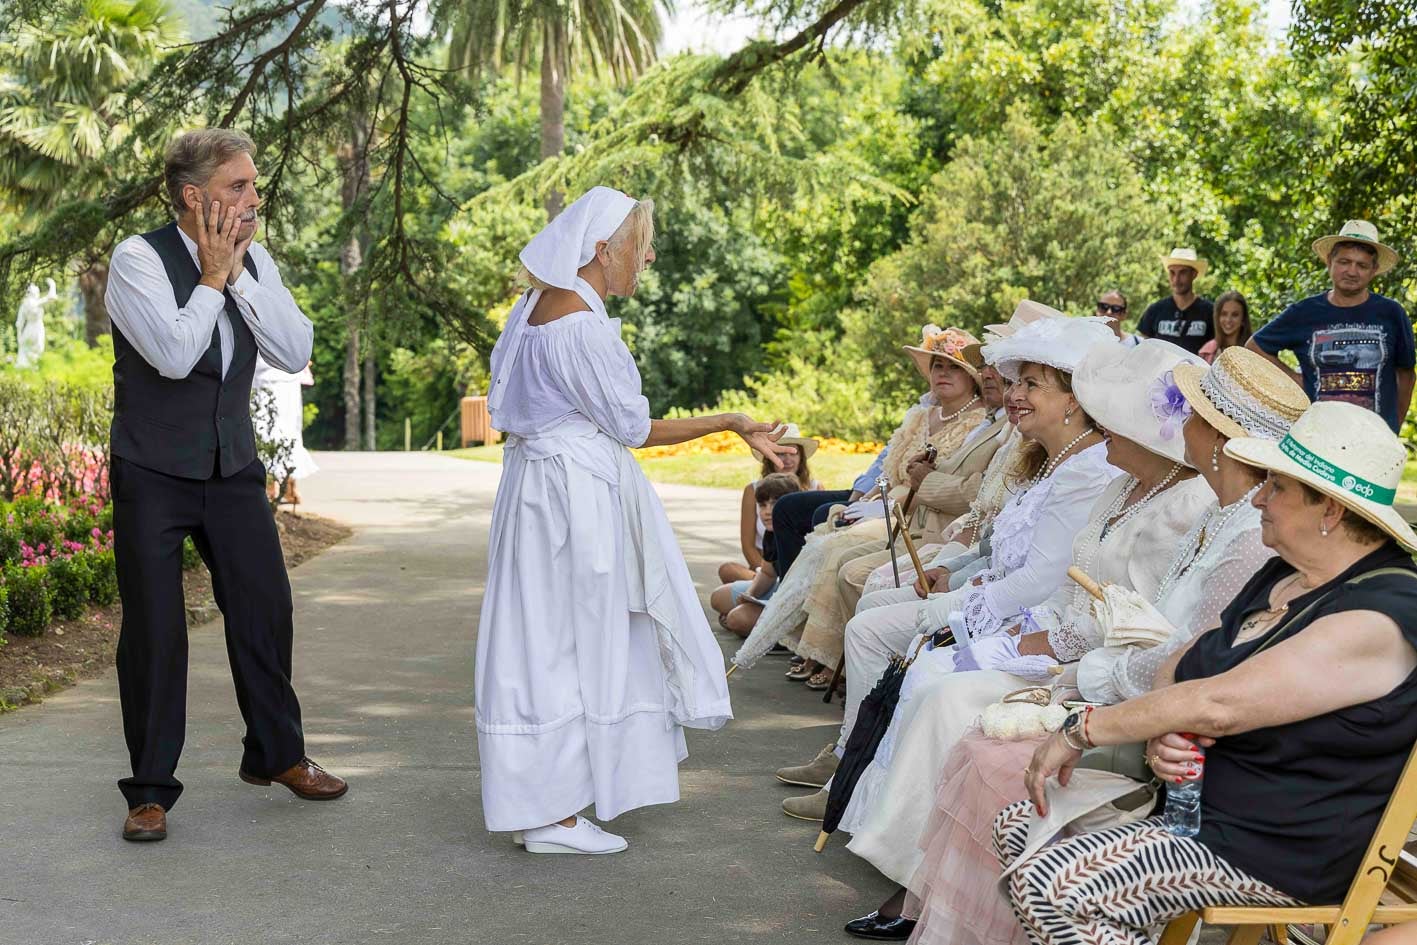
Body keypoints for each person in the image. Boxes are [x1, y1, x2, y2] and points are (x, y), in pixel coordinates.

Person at [903, 347, 1308, 945]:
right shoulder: (1219, 517)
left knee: (996, 761)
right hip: (1137, 706)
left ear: (1220, 439)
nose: (1178, 427)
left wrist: (1081, 687)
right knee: (983, 745)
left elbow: (1193, 668)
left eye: (1191, 414)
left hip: (1167, 743)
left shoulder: (1248, 534)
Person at [835, 340, 1211, 939]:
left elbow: (1141, 618)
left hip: (1105, 672)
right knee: (943, 677)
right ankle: (916, 874)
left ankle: (918, 884)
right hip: (1061, 642)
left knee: (951, 696)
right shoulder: (1123, 485)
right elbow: (1067, 585)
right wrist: (1022, 633)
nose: (1096, 426)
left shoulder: (1184, 502)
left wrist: (1046, 644)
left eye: (1106, 415)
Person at [1004, 400, 1417, 942]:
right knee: (1018, 824)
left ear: (1331, 510)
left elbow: (1219, 704)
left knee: (1052, 886)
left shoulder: (1382, 611)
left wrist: (1083, 729)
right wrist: (1164, 736)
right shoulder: (1282, 574)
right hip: (1196, 816)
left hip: (1273, 847)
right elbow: (1184, 663)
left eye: (1276, 486)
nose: (1259, 497)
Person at [475, 186, 792, 856]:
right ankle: (552, 813)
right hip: (572, 502)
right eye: (638, 245)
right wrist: (731, 419)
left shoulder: (532, 309)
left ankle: (548, 799)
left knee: (543, 639)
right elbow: (634, 426)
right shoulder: (580, 329)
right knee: (577, 639)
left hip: (539, 491)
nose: (646, 258)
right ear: (599, 250)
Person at [776, 315, 1120, 822]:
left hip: (1031, 618)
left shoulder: (1086, 469)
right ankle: (853, 764)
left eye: (1030, 383)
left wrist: (954, 605)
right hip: (998, 596)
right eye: (1015, 381)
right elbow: (1001, 546)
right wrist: (957, 577)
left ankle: (855, 774)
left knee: (873, 629)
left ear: (1073, 398)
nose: (1013, 393)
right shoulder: (1052, 458)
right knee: (870, 617)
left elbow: (1042, 580)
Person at [103, 128, 342, 844]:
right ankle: (149, 790)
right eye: (238, 186)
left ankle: (276, 754)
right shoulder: (136, 259)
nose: (253, 198)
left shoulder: (254, 258)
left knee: (266, 606)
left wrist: (236, 273)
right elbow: (175, 355)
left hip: (232, 464)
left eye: (254, 185)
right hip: (152, 468)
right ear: (192, 197)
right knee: (154, 630)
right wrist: (211, 277)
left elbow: (294, 349)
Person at [742, 325, 991, 691]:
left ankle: (826, 653)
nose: (942, 373)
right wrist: (864, 499)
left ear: (971, 378)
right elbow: (886, 462)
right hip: (885, 498)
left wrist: (895, 499)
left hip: (918, 511)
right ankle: (800, 633)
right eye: (937, 366)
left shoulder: (978, 421)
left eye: (953, 367)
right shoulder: (921, 414)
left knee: (837, 549)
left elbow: (953, 484)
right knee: (812, 522)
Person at [1247, 219, 1414, 432]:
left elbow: (1406, 375)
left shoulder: (1392, 313)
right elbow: (1254, 347)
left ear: (1374, 270)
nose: (1352, 271)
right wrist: (1296, 381)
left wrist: (1394, 426)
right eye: (1344, 262)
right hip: (1316, 435)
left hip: (1374, 438)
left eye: (1361, 265)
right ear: (1329, 261)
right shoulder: (1304, 312)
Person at [717, 425, 819, 585]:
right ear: (768, 457)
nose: (787, 459)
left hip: (802, 572)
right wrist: (765, 573)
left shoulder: (815, 489)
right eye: (779, 453)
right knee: (728, 570)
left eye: (792, 452)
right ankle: (765, 589)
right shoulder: (753, 490)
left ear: (801, 457)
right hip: (762, 569)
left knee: (729, 600)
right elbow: (748, 545)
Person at [710, 472, 803, 636]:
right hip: (778, 588)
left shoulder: (800, 534)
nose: (767, 512)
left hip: (797, 601)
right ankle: (756, 621)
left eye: (774, 504)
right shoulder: (771, 533)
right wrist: (750, 595)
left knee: (736, 619)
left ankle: (785, 635)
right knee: (718, 597)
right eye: (762, 505)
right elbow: (767, 573)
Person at [252, 354, 318, 505]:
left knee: (270, 428)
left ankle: (277, 486)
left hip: (272, 375)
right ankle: (283, 486)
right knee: (284, 429)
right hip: (277, 374)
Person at [1138, 248, 1213, 356]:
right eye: (1172, 273)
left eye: (1182, 273)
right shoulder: (1155, 310)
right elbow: (1144, 348)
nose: (1176, 279)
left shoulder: (1210, 311)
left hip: (1197, 372)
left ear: (1194, 274)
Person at [1198, 289, 1251, 364]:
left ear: (1243, 319)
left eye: (1235, 315)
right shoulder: (1206, 351)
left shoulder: (1252, 350)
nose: (1228, 320)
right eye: (1224, 314)